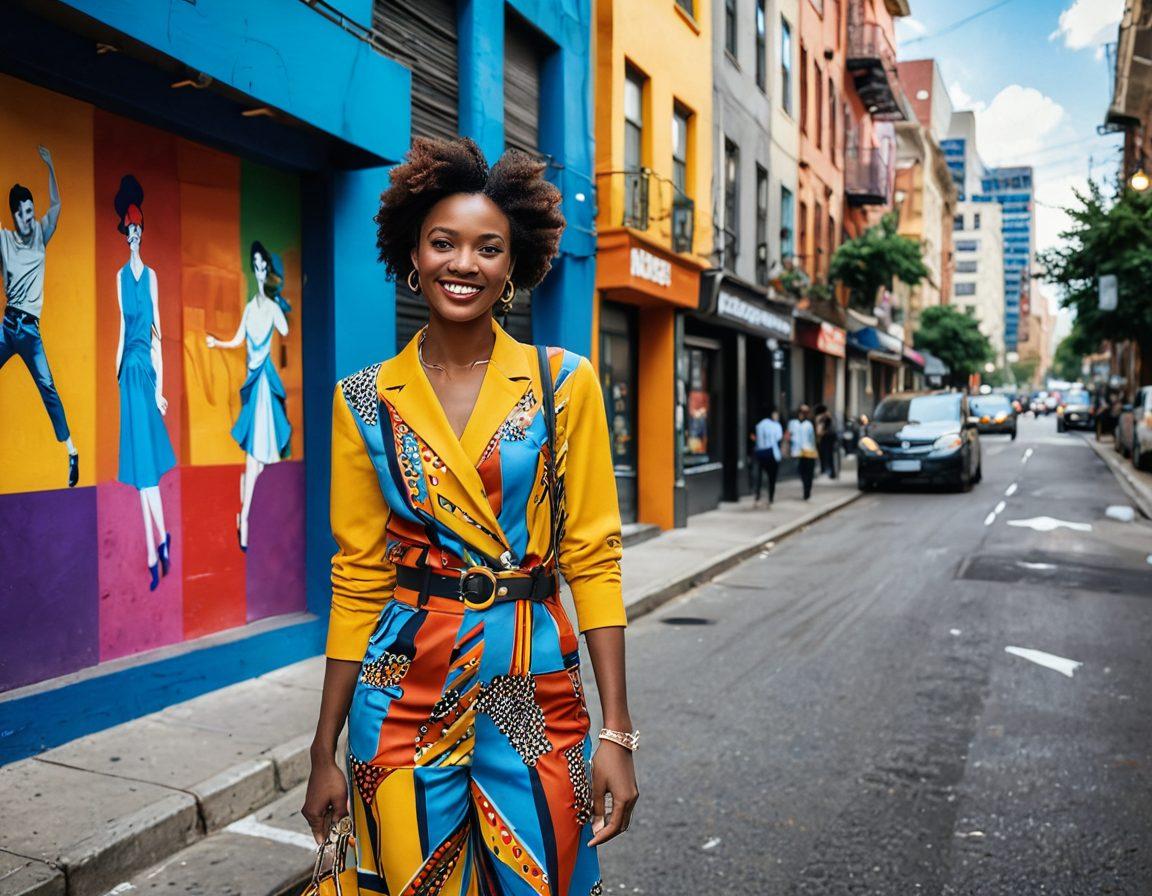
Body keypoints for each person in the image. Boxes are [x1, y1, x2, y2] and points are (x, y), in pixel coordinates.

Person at [303, 137, 637, 896]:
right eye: (444, 243)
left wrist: (616, 733)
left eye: (489, 248)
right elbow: (357, 576)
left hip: (534, 686)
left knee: (542, 883)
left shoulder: (562, 384)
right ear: (412, 255)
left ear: (513, 266)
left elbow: (594, 556)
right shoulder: (365, 400)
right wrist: (322, 750)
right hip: (403, 687)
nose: (464, 263)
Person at [205, 241, 292, 552]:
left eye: (262, 265)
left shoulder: (269, 308)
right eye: (255, 265)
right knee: (256, 456)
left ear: (266, 271)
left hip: (265, 383)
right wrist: (217, 344)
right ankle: (244, 514)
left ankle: (245, 515)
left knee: (258, 456)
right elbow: (237, 339)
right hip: (254, 384)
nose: (258, 270)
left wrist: (280, 301)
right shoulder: (249, 309)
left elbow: (283, 329)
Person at [1, 146, 79, 487]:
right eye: (25, 214)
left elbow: (58, 206)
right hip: (7, 326)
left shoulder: (41, 238)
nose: (31, 219)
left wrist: (50, 166)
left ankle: (72, 451)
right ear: (14, 217)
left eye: (33, 212)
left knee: (48, 388)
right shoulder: (4, 240)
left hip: (30, 332)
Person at [113, 175, 177, 590]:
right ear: (124, 234)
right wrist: (115, 367)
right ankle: (156, 547)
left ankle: (158, 546)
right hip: (127, 374)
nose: (133, 234)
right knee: (139, 468)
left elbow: (157, 332)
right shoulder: (120, 276)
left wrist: (160, 388)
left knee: (147, 468)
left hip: (146, 373)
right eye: (129, 230)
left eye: (137, 229)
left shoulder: (150, 276)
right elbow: (122, 325)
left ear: (142, 231)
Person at [752, 405, 783, 506]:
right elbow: (779, 439)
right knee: (772, 477)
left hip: (760, 453)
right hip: (771, 453)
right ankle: (770, 497)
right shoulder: (776, 425)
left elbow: (755, 438)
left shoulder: (759, 425)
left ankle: (758, 495)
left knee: (760, 476)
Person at [787, 403, 818, 500]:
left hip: (808, 451)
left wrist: (815, 451)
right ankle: (806, 489)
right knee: (801, 471)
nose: (802, 414)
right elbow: (789, 436)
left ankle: (807, 491)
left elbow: (812, 439)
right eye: (801, 412)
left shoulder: (809, 424)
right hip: (798, 452)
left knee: (809, 473)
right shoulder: (792, 423)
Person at [813, 403, 838, 479]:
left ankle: (827, 471)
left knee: (826, 455)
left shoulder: (823, 418)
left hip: (826, 438)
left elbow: (820, 430)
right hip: (829, 438)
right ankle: (829, 471)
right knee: (828, 455)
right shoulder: (828, 417)